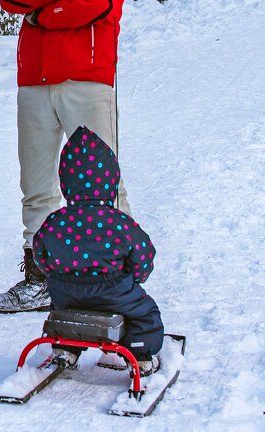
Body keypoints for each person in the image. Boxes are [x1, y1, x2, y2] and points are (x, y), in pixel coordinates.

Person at [0, 0, 134, 314]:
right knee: (37, 183)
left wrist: (42, 11)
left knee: (102, 179)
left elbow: (102, 0)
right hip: (34, 80)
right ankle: (40, 275)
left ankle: (119, 271)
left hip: (87, 78)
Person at [32, 126, 163, 375]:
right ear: (110, 178)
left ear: (65, 180)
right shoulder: (118, 222)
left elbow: (41, 252)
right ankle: (141, 353)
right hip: (114, 291)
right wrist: (134, 278)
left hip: (66, 292)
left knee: (63, 314)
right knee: (145, 313)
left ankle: (66, 349)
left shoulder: (55, 221)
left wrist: (57, 274)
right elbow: (144, 254)